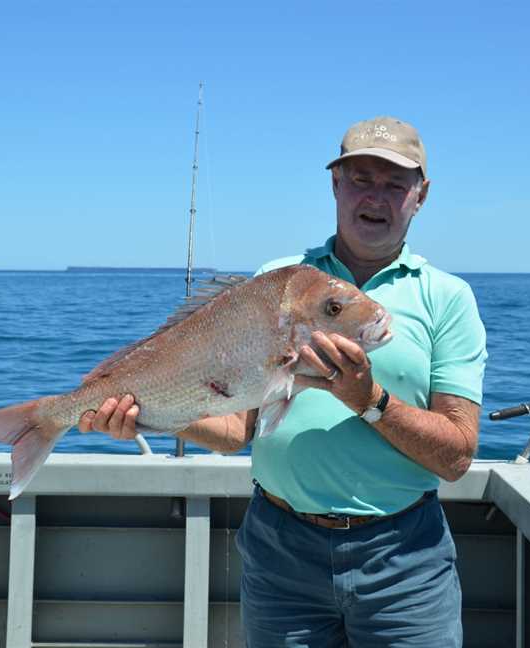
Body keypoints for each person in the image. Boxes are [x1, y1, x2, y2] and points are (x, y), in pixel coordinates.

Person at [79, 116, 487, 647]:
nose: (376, 197)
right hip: (280, 550)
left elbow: (456, 458)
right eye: (361, 179)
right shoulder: (277, 281)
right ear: (336, 185)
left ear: (421, 194)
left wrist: (371, 401)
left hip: (404, 558)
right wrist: (151, 416)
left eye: (395, 183)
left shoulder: (447, 298)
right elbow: (236, 430)